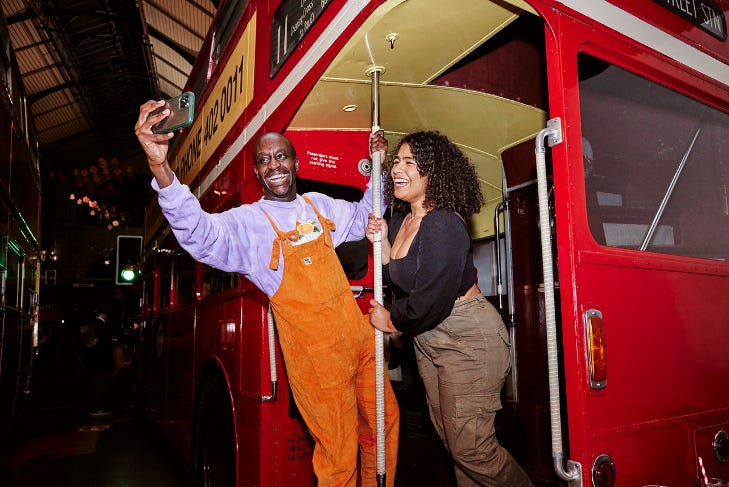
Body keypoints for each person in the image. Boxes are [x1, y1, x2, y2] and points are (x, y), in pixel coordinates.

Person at [134, 100, 399, 487]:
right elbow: (199, 234)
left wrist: (379, 166)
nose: (273, 165)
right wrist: (161, 167)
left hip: (360, 341)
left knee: (384, 426)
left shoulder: (318, 205)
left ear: (295, 163)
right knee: (339, 458)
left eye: (280, 156)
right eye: (264, 160)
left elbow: (363, 218)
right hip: (317, 363)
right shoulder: (249, 223)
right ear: (258, 171)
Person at [366, 130, 533, 487]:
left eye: (411, 163)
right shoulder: (402, 220)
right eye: (398, 160)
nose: (399, 168)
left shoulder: (442, 223)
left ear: (433, 173)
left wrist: (391, 320)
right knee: (453, 441)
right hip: (428, 338)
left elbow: (430, 300)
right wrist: (380, 241)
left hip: (468, 337)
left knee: (473, 450)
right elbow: (398, 274)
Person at [80, 309, 113, 416]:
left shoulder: (91, 324)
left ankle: (93, 407)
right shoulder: (102, 326)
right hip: (101, 362)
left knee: (93, 385)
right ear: (105, 314)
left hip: (91, 361)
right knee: (99, 385)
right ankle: (96, 408)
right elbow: (105, 345)